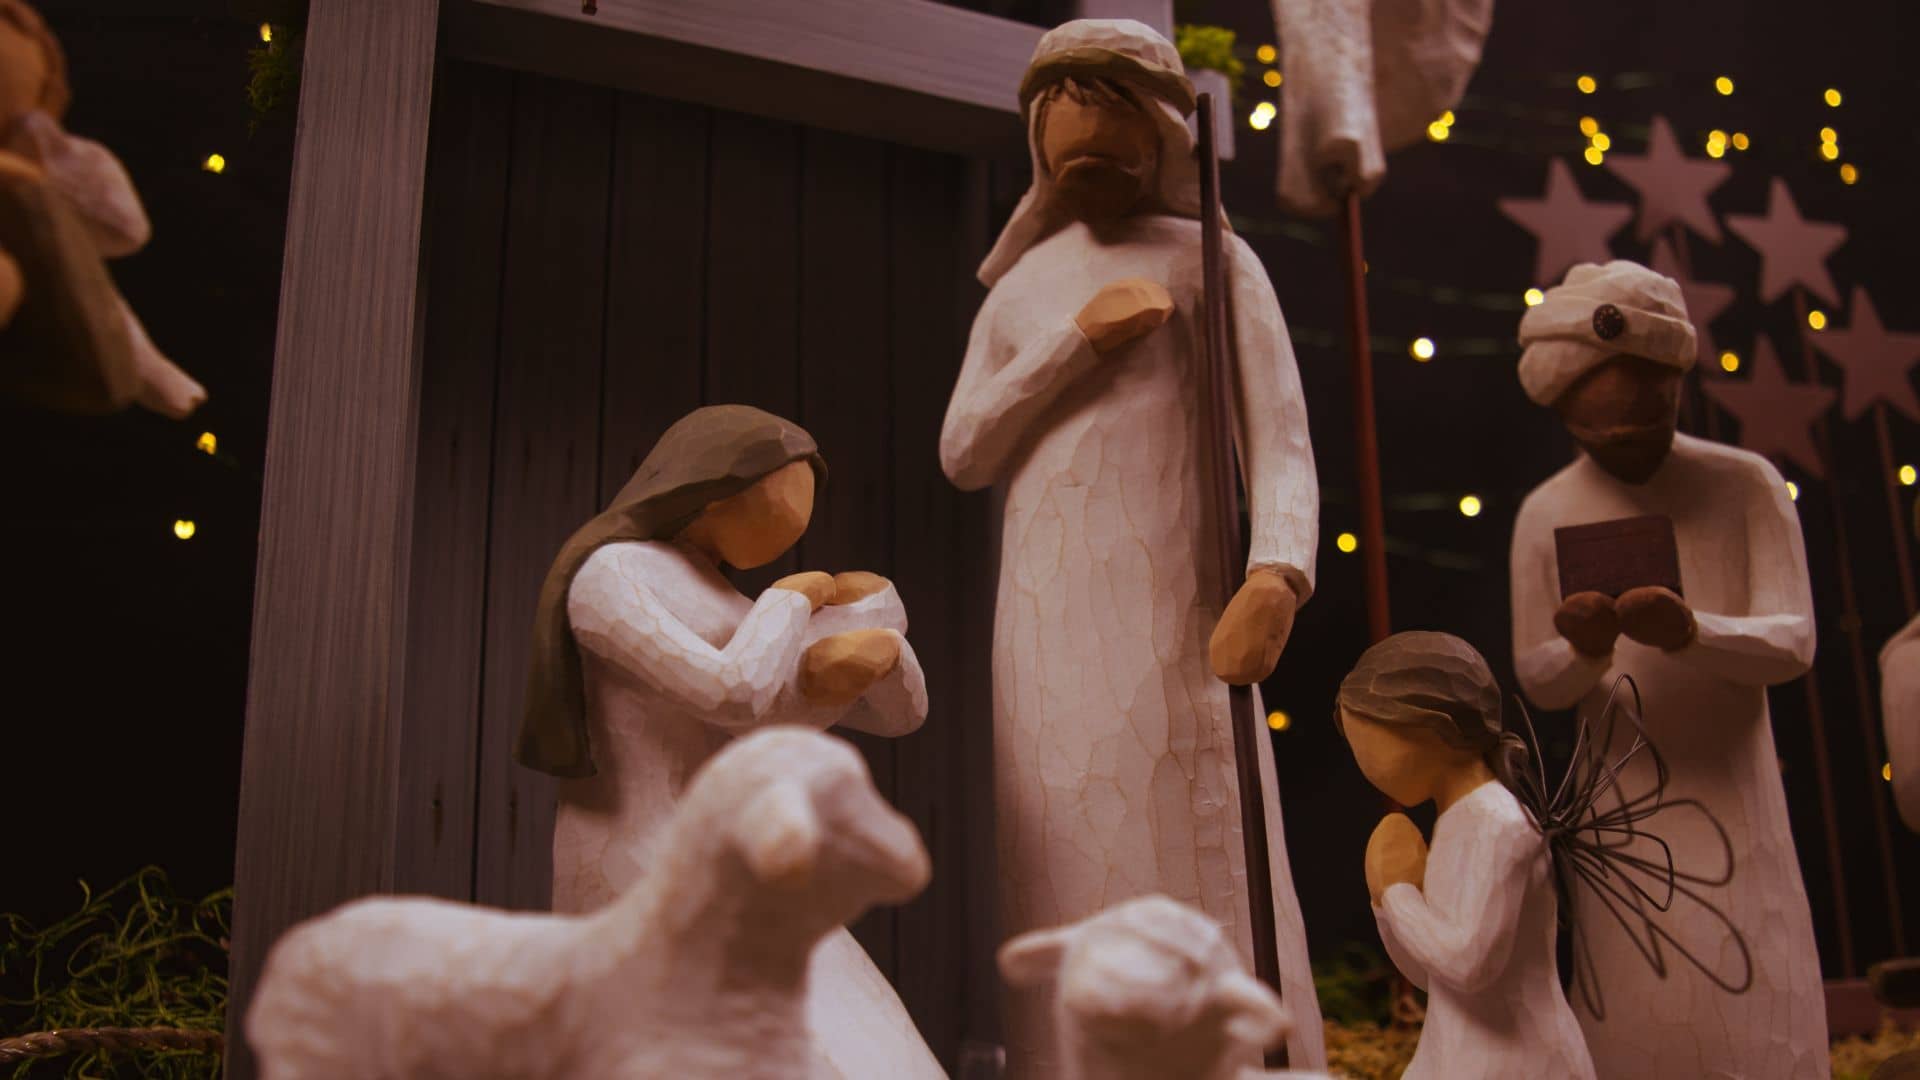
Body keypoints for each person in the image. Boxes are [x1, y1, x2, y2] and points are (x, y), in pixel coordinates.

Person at [940, 18, 1323, 1073]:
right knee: (1058, 838)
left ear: (1162, 138)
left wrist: (1277, 573)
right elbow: (965, 450)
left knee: (1197, 832)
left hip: (1180, 614)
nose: (1090, 166)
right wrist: (1079, 340)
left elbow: (1281, 442)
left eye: (1112, 143)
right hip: (1044, 629)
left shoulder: (1216, 262)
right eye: (1069, 145)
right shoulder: (1021, 289)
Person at [517, 404, 941, 1080]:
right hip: (641, 857)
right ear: (715, 490)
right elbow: (731, 694)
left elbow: (895, 718)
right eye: (780, 509)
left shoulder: (727, 602)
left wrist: (883, 643)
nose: (792, 530)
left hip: (738, 865)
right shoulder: (612, 574)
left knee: (868, 1040)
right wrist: (789, 602)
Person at [1509, 261, 1828, 1078]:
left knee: (1758, 998)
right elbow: (1539, 679)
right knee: (1635, 1007)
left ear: (1677, 386)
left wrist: (1692, 631)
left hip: (1737, 798)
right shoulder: (1545, 511)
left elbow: (1794, 642)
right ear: (1566, 414)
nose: (1629, 447)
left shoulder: (1745, 484)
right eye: (1604, 435)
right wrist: (1584, 650)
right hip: (1622, 812)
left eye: (1647, 423)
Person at [1338, 632, 1596, 1080]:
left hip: (1517, 1060)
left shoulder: (1499, 825)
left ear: (1428, 726)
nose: (1366, 768)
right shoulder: (1457, 821)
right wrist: (1385, 905)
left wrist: (1399, 893)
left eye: (1368, 748)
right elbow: (1432, 976)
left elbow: (1468, 964)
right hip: (1458, 1053)